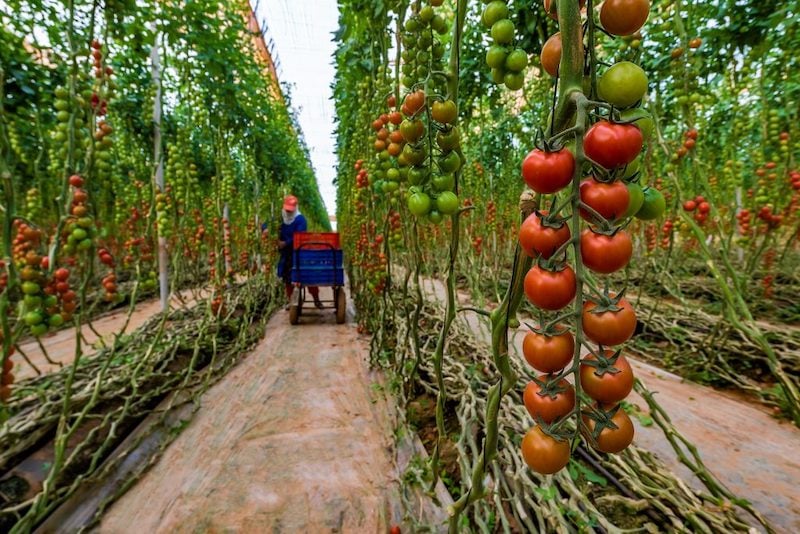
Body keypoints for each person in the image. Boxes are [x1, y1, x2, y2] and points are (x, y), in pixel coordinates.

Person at [267, 195, 323, 309]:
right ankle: (290, 300)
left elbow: (300, 236)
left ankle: (316, 299)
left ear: (295, 207)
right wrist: (265, 229)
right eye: (287, 209)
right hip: (286, 254)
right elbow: (267, 224)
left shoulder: (300, 219)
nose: (288, 212)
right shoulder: (280, 217)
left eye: (290, 209)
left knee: (307, 277)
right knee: (288, 279)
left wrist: (285, 243)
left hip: (299, 253)